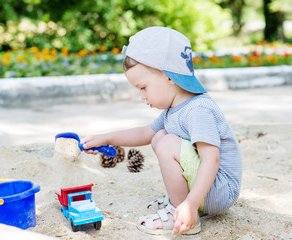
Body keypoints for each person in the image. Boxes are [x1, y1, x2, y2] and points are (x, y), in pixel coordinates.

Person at [81, 26, 242, 235]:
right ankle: (183, 202)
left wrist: (191, 205)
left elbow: (212, 160)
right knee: (159, 137)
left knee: (166, 142)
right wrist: (105, 139)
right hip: (207, 188)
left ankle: (181, 210)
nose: (142, 96)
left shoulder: (197, 110)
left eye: (143, 87)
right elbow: (144, 134)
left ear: (169, 77)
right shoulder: (174, 109)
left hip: (219, 191)